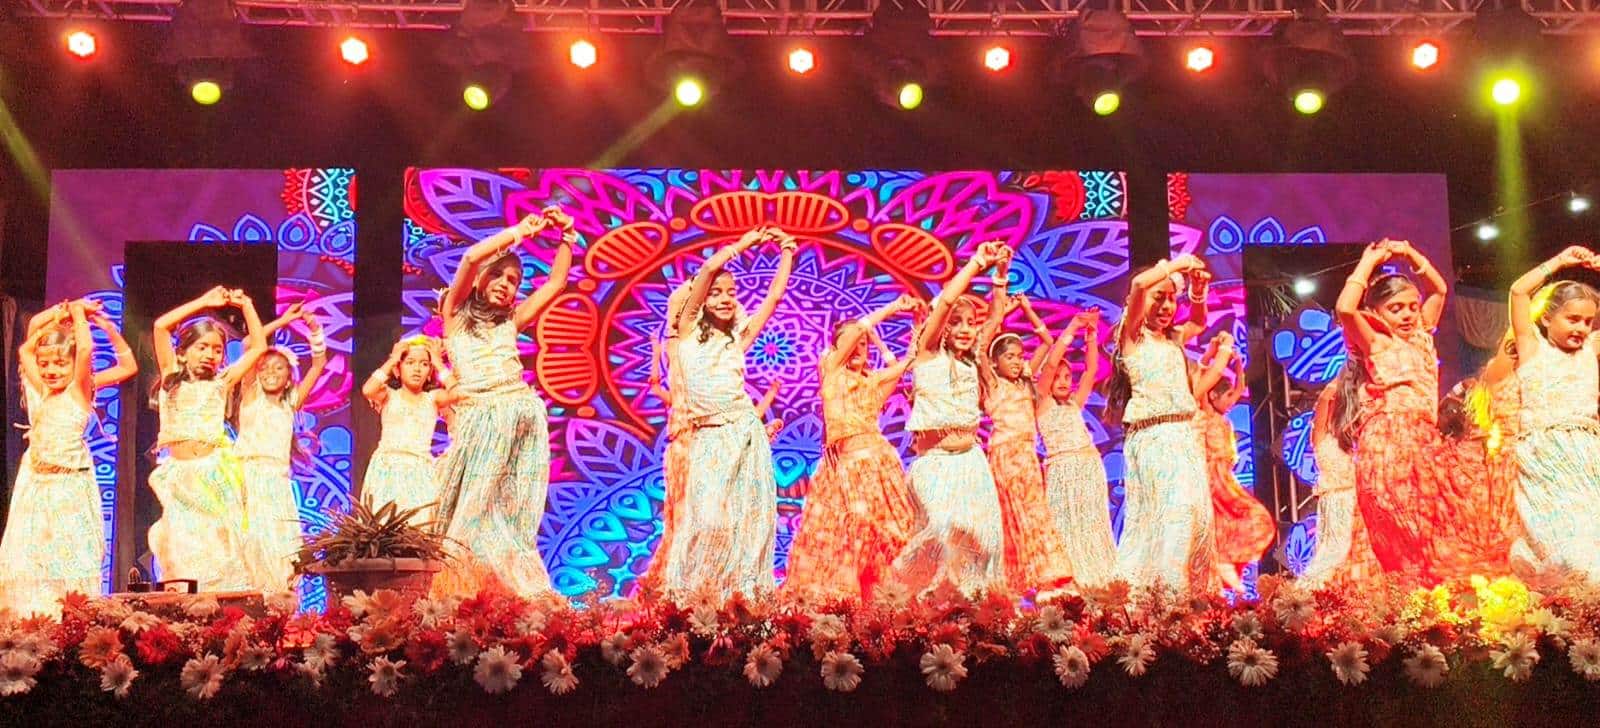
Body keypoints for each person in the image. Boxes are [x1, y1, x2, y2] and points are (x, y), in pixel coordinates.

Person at [432, 206, 575, 598]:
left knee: (513, 513)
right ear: (480, 280)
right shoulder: (455, 315)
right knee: (473, 510)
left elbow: (556, 283)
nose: (505, 284)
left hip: (521, 416)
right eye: (497, 275)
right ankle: (463, 591)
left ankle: (510, 590)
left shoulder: (511, 321)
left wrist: (567, 235)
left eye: (513, 280)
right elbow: (470, 258)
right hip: (481, 420)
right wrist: (520, 232)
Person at [657, 225, 797, 599]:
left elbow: (774, 297)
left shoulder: (737, 337)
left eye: (731, 293)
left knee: (750, 522)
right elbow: (707, 270)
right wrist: (744, 243)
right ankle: (691, 597)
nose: (724, 298)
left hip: (745, 430)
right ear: (700, 300)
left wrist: (787, 251)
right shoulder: (687, 328)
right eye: (716, 293)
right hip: (710, 436)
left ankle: (741, 598)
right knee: (707, 520)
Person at [1334, 239, 1460, 582]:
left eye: (1412, 307)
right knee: (1399, 518)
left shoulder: (1421, 336)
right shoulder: (1376, 340)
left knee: (1432, 521)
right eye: (1396, 308)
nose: (1407, 314)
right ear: (1376, 313)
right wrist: (1368, 262)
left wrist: (1411, 254)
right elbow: (1345, 308)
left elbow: (1439, 289)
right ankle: (1404, 589)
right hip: (1388, 439)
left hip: (1425, 440)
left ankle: (1424, 594)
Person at [891, 241, 1012, 597]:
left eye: (970, 323)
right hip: (936, 464)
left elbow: (996, 316)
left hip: (971, 463)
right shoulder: (928, 355)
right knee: (944, 531)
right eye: (956, 323)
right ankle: (923, 599)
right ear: (941, 327)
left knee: (984, 542)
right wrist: (977, 264)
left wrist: (1000, 274)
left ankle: (973, 608)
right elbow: (945, 302)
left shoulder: (971, 361)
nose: (965, 329)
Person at [0, 300, 134, 617]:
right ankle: (28, 620)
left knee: (69, 556)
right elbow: (26, 348)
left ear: (75, 366)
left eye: (60, 364)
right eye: (45, 364)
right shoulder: (38, 389)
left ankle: (69, 620)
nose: (50, 371)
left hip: (70, 485)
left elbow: (95, 354)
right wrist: (68, 309)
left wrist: (85, 318)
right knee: (29, 557)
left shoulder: (80, 390)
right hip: (35, 484)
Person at [785, 294, 923, 600]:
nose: (858, 348)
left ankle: (883, 599)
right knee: (846, 534)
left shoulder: (872, 382)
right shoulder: (831, 370)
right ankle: (844, 603)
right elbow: (859, 329)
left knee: (889, 533)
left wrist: (915, 325)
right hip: (843, 469)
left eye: (863, 344)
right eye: (851, 344)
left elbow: (909, 362)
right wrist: (893, 307)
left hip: (877, 466)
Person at [1105, 255, 1218, 593]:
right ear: (1137, 302)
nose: (1167, 306)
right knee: (1174, 516)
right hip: (1153, 438)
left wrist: (1197, 290)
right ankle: (1169, 598)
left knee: (1194, 519)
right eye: (1159, 298)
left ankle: (1158, 595)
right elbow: (1140, 283)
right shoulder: (1132, 338)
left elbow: (1198, 320)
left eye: (1171, 298)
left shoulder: (1172, 340)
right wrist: (1176, 264)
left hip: (1183, 437)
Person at [147, 287, 268, 592]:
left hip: (214, 473)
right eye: (202, 347)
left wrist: (247, 305)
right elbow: (161, 326)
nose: (210, 355)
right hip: (179, 476)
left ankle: (222, 604)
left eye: (216, 350)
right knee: (181, 545)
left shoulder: (221, 382)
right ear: (182, 352)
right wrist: (203, 302)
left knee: (219, 545)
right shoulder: (170, 378)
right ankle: (187, 605)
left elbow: (258, 347)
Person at [1505, 246, 1600, 582]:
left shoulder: (1591, 349)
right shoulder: (1533, 348)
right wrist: (1559, 262)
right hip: (1544, 457)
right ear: (1546, 318)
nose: (1582, 328)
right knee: (1557, 538)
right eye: (1572, 319)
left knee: (1589, 531)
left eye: (1588, 321)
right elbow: (1518, 291)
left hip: (1585, 456)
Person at [976, 281, 1074, 595]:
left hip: (1028, 455)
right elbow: (980, 348)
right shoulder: (993, 384)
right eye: (1010, 357)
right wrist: (1003, 313)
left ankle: (1046, 572)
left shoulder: (1024, 382)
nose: (1018, 361)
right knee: (1013, 513)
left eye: (1020, 356)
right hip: (1005, 456)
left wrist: (1028, 309)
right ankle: (1018, 577)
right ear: (995, 362)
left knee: (1034, 512)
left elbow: (1047, 341)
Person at [236, 303, 327, 594]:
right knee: (250, 539)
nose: (270, 372)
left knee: (278, 542)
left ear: (289, 376)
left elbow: (319, 363)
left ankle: (277, 596)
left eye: (279, 368)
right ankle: (248, 593)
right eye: (264, 367)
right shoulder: (250, 393)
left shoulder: (291, 403)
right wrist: (284, 320)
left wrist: (314, 329)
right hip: (247, 476)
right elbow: (249, 343)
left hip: (277, 481)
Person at [1037, 308, 1117, 588]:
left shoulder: (1074, 403)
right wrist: (1072, 328)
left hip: (1088, 467)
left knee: (1091, 524)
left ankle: (1099, 579)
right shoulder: (1042, 403)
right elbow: (1049, 365)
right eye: (1057, 377)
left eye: (1067, 376)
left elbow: (1091, 370)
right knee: (1065, 524)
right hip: (1062, 470)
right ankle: (1072, 581)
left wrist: (1091, 335)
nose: (1062, 381)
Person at [1192, 337, 1274, 591]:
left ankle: (1225, 561)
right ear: (1212, 395)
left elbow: (1240, 388)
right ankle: (1222, 562)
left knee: (1234, 520)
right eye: (1226, 397)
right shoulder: (1206, 411)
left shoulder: (1222, 414)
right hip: (1212, 474)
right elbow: (1203, 379)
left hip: (1226, 474)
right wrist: (1214, 357)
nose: (1231, 402)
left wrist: (1238, 365)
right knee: (1238, 515)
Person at [1300, 368, 1381, 586]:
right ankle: (1308, 595)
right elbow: (1325, 396)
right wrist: (1349, 372)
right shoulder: (1320, 436)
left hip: (1354, 502)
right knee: (1333, 553)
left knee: (1353, 556)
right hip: (1334, 501)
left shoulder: (1348, 438)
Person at [362, 336, 454, 525]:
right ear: (398, 369)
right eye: (410, 362)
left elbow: (459, 393)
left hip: (420, 470)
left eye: (424, 364)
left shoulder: (433, 398)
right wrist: (392, 360)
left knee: (419, 526)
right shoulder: (388, 395)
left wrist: (438, 363)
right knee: (384, 526)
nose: (417, 369)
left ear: (430, 372)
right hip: (387, 468)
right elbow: (368, 390)